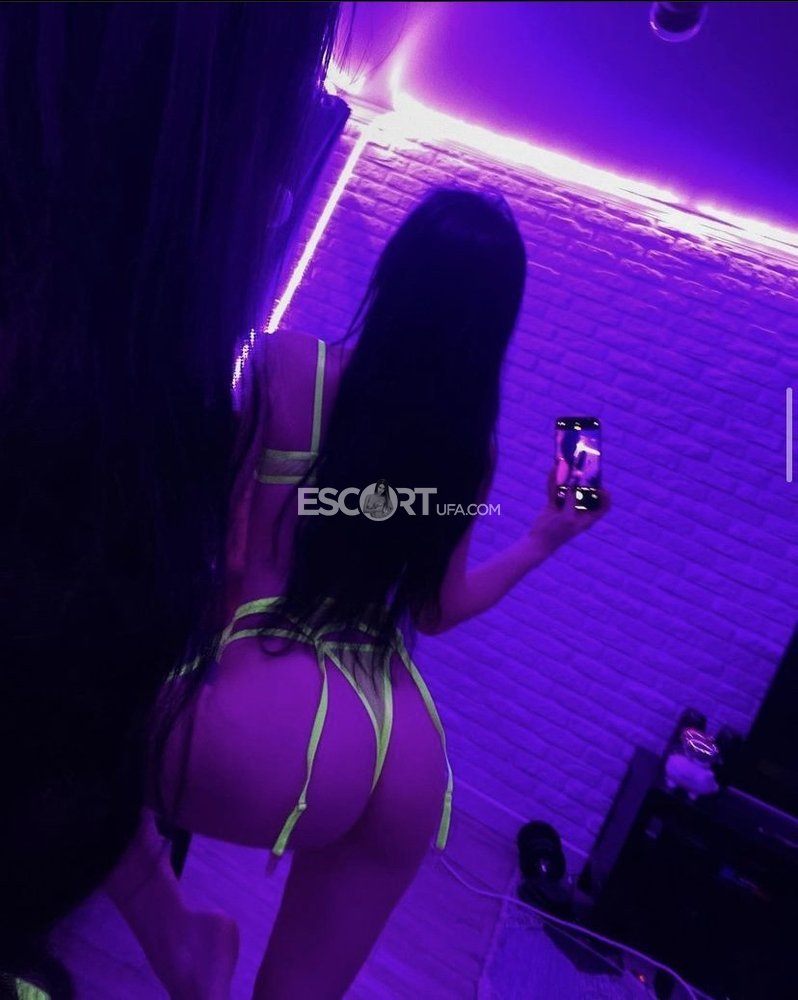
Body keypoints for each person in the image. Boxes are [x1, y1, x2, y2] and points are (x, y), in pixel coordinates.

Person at [109, 188, 610, 999]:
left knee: (58, 732)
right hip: (405, 750)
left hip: (275, 707)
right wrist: (543, 538)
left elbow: (226, 555)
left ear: (395, 273)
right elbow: (436, 613)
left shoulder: (287, 368)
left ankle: (180, 939)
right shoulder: (467, 453)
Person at [0, 3, 340, 996]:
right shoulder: (269, 372)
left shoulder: (280, 364)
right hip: (334, 706)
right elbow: (259, 572)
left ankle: (180, 938)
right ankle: (185, 944)